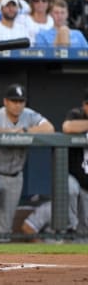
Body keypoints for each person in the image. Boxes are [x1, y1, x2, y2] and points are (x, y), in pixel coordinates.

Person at [0, 83, 55, 242]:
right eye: (14, 101)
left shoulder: (29, 115)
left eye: (21, 101)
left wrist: (26, 131)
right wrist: (10, 134)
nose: (18, 105)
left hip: (14, 175)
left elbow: (49, 128)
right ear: (6, 102)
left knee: (4, 228)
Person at [61, 87, 88, 239]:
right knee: (69, 187)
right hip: (76, 178)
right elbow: (68, 127)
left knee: (85, 232)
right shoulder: (76, 114)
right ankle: (69, 229)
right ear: (85, 105)